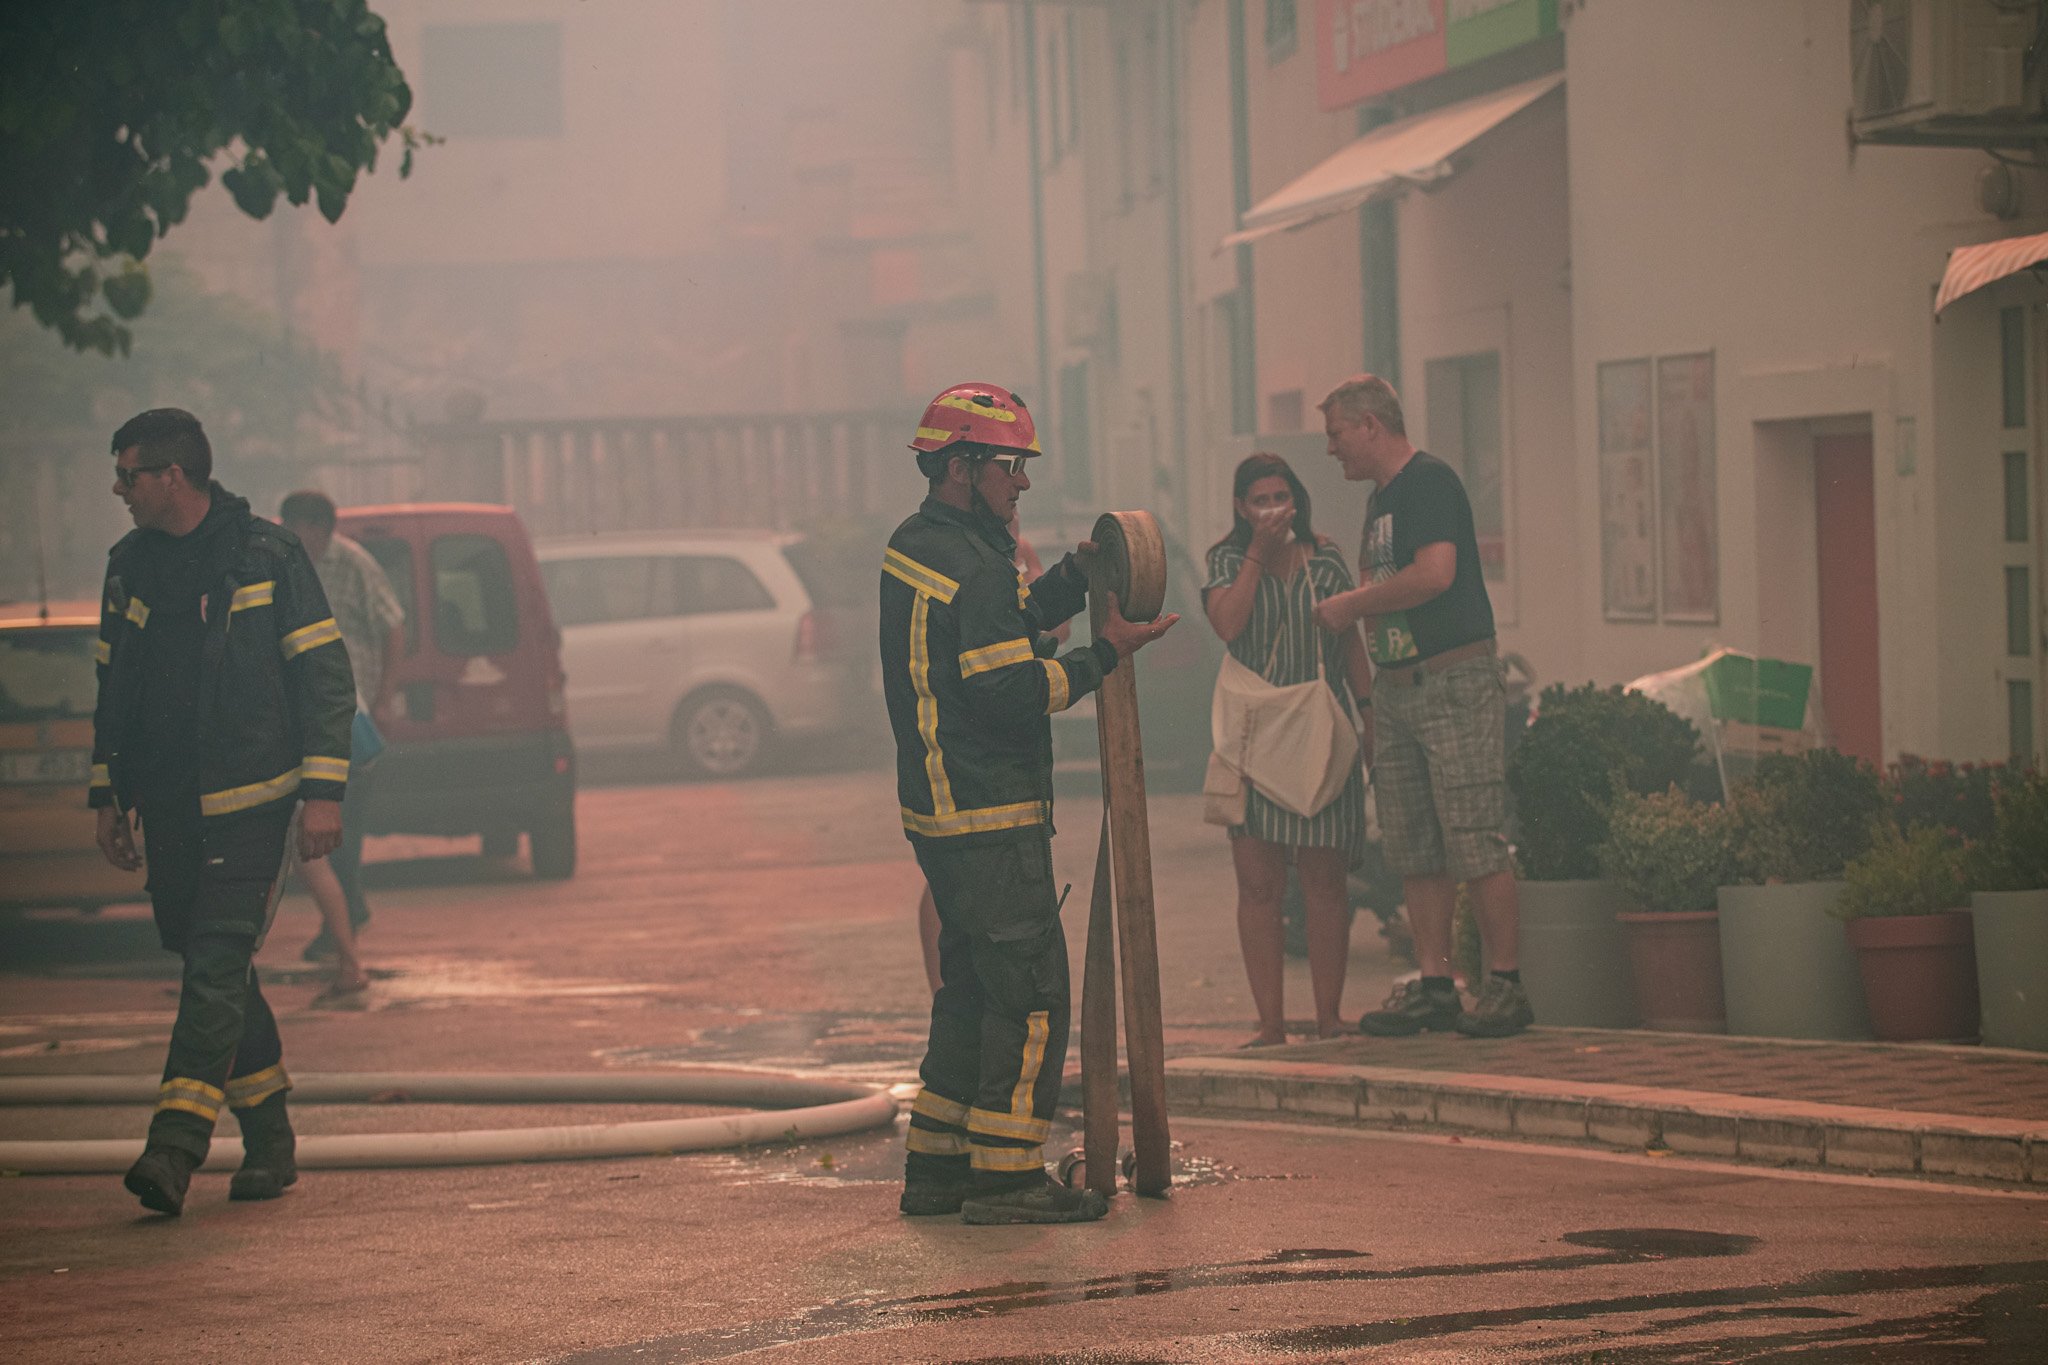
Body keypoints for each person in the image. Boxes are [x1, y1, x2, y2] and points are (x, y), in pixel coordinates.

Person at [883, 381, 1176, 1224]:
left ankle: (937, 1170)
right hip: (989, 811)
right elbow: (1009, 687)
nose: (1023, 481)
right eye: (1011, 464)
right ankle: (1007, 1178)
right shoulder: (972, 563)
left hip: (941, 813)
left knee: (970, 989)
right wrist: (1103, 658)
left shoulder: (927, 544)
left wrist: (1076, 579)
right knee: (1035, 992)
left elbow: (1004, 626)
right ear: (963, 465)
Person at [90, 409, 357, 1214]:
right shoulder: (129, 566)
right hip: (170, 808)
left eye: (128, 474)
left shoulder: (266, 554)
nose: (119, 489)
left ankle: (174, 1147)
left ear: (173, 475)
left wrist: (323, 792)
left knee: (212, 961)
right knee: (220, 973)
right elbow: (113, 689)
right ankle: (271, 1140)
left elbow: (324, 676)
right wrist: (108, 791)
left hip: (254, 803)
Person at [1313, 374, 1533, 1039]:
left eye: (1336, 434)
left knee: (1474, 831)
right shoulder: (1381, 498)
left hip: (1452, 679)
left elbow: (1435, 573)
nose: (1332, 450)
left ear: (1372, 425)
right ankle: (1437, 983)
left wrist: (1350, 605)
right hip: (1400, 684)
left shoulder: (1429, 483)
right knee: (1415, 844)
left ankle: (1506, 982)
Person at [1204, 454, 1371, 1045]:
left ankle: (1329, 1016)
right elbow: (1228, 624)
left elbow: (1350, 645)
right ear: (1241, 508)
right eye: (1260, 500)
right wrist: (1257, 552)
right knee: (1258, 885)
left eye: (1281, 497)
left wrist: (1370, 718)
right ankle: (1270, 1023)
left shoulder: (1325, 559)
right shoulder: (1225, 559)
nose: (1272, 509)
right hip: (1252, 737)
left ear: (1296, 501)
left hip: (1320, 732)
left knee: (1325, 882)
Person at [913, 518, 1063, 994]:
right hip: (963, 740)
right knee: (949, 874)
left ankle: (973, 989)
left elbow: (1052, 629)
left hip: (1012, 734)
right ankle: (947, 989)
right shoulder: (961, 560)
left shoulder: (1016, 554)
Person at [279, 490, 405, 963]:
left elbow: (393, 625)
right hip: (308, 716)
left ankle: (345, 926)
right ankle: (347, 919)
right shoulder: (286, 566)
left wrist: (387, 695)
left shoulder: (353, 565)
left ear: (320, 528)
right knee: (326, 831)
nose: (293, 535)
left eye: (299, 526)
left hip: (352, 716)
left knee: (340, 827)